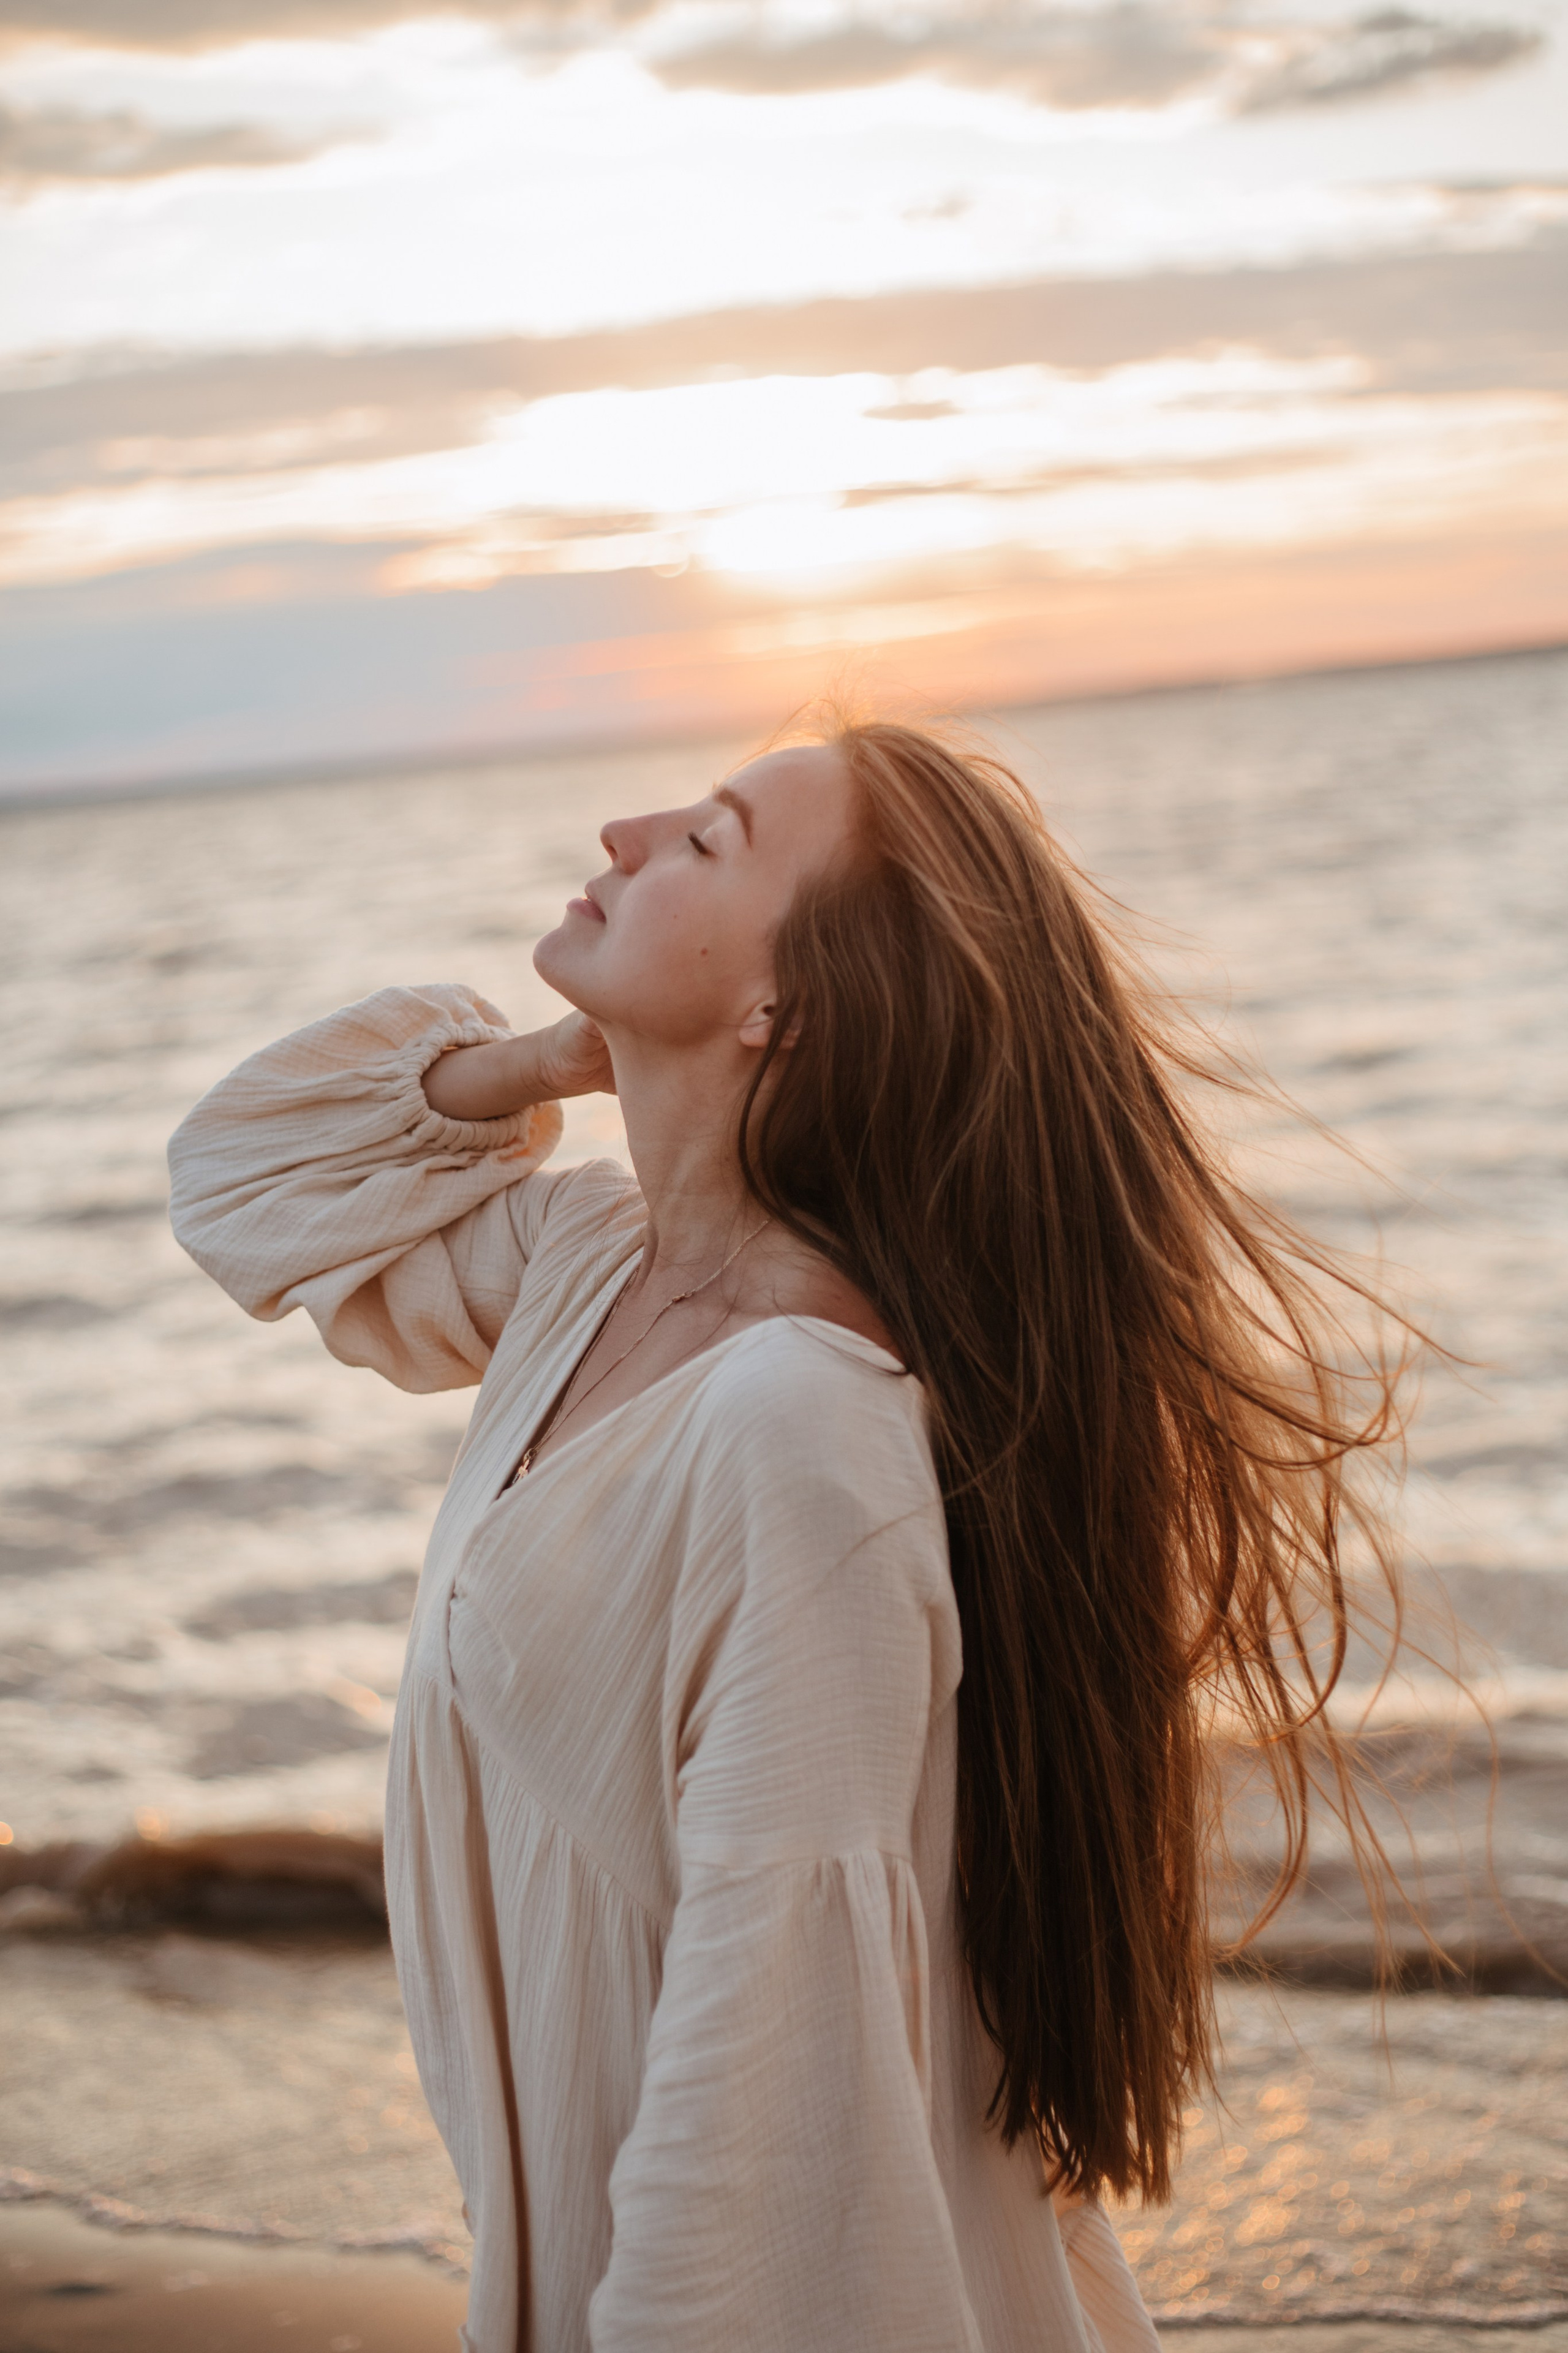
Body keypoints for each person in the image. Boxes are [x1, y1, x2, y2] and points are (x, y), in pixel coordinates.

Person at [168, 715, 1404, 2353]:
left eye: (708, 840)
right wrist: (542, 1063)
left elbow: (776, 2111)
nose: (627, 826)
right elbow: (241, 1173)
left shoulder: (800, 1428)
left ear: (789, 1008)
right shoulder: (589, 1269)